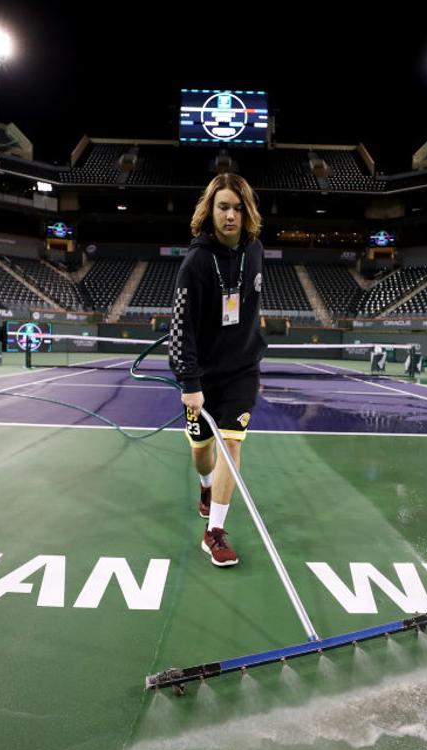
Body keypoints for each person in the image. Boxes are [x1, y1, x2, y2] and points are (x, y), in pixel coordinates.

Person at [168, 173, 265, 567]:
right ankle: (205, 486)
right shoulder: (195, 262)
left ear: (247, 213)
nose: (230, 215)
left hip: (242, 370)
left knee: (232, 444)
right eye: (223, 206)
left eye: (238, 208)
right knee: (202, 453)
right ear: (210, 210)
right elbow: (180, 329)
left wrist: (252, 353)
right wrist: (190, 383)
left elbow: (252, 305)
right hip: (202, 377)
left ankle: (215, 533)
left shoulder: (255, 250)